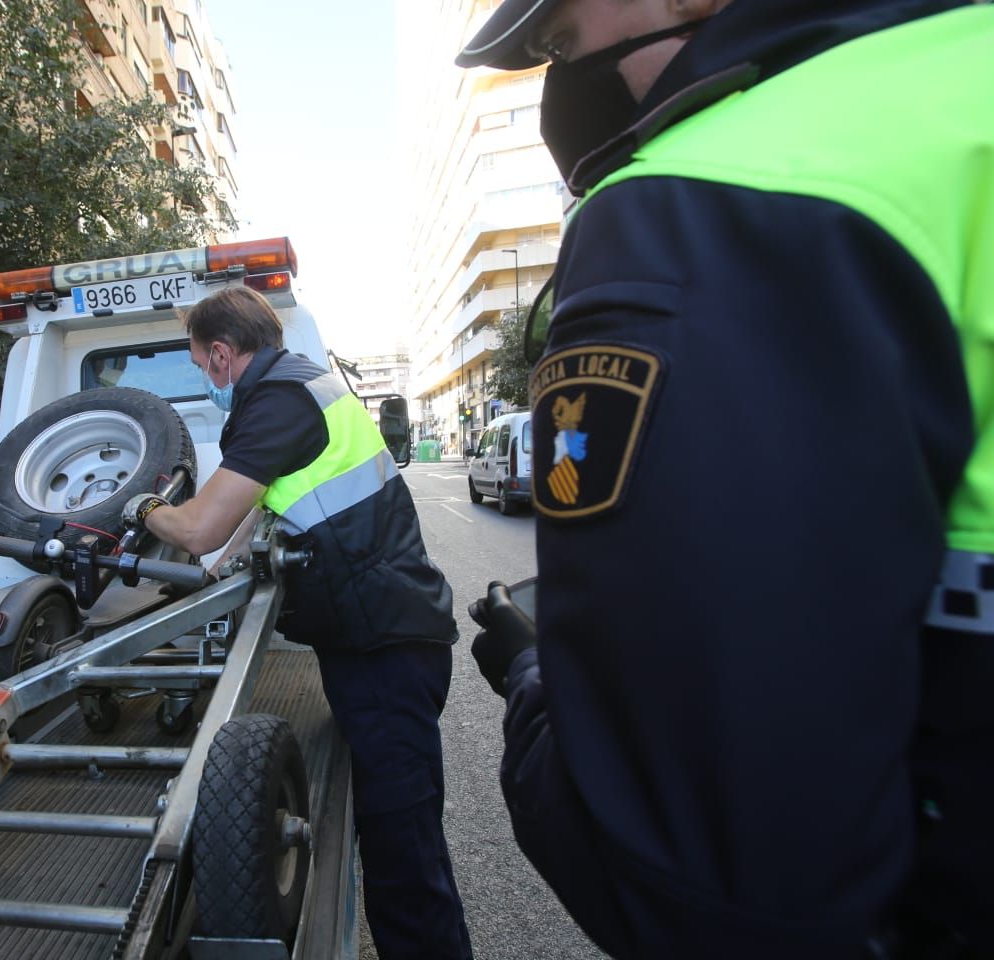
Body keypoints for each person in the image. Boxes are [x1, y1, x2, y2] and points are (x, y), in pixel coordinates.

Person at [456, 0, 993, 957]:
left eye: (558, 38)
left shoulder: (707, 190)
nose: (558, 78)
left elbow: (703, 880)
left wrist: (540, 685)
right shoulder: (955, 79)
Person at [122, 286, 472, 960]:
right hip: (374, 635)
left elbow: (196, 528)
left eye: (200, 365)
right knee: (395, 844)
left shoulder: (277, 400)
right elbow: (259, 505)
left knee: (407, 863)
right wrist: (223, 562)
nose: (204, 377)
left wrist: (143, 509)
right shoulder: (302, 383)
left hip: (385, 649)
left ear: (223, 353)